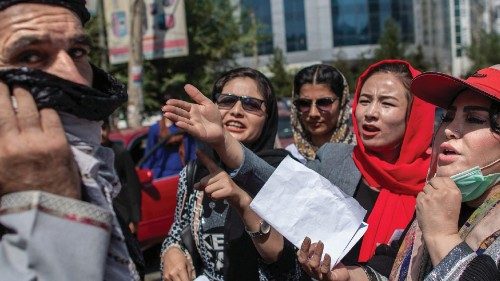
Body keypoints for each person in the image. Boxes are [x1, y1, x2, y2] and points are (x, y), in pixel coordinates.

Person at [161, 59, 436, 280]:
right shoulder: (333, 159)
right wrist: (223, 141)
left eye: (386, 103)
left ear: (415, 114)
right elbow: (278, 186)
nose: (370, 113)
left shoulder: (438, 182)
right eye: (364, 101)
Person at [0, 1, 138, 280]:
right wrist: (49, 206)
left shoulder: (96, 171)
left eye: (76, 52)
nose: (74, 77)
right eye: (29, 56)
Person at [160, 67, 289, 280]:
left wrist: (241, 201)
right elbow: (177, 230)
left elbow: (286, 260)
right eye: (227, 101)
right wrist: (172, 251)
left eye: (251, 104)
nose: (237, 110)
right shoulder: (194, 172)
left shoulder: (280, 173)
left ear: (268, 117)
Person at [390, 66, 500, 280]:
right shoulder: (436, 200)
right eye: (447, 117)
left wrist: (441, 235)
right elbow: (389, 268)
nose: (450, 129)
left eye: (475, 119)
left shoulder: (437, 213)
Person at [287, 64, 355, 163]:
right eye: (304, 103)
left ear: (342, 103)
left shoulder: (360, 152)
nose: (313, 113)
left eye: (324, 102)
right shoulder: (290, 158)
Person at [141, 94, 197, 178]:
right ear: (162, 107)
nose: (173, 109)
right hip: (160, 176)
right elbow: (149, 155)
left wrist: (194, 174)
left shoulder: (184, 128)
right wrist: (144, 176)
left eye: (176, 106)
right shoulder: (155, 129)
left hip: (182, 175)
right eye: (170, 106)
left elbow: (192, 154)